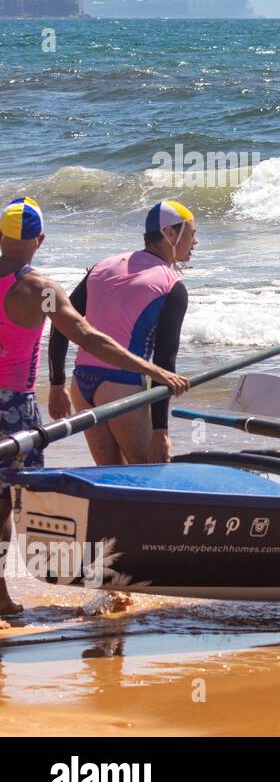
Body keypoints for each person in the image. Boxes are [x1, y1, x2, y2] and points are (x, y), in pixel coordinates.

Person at [0, 197, 188, 615]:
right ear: (40, 239)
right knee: (12, 504)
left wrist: (61, 383)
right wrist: (152, 370)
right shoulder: (39, 290)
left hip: (44, 396)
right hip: (12, 409)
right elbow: (87, 336)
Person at [47, 201, 195, 465]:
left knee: (110, 479)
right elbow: (164, 361)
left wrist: (57, 383)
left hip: (82, 384)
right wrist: (161, 431)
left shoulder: (102, 266)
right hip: (121, 388)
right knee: (149, 478)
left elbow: (61, 322)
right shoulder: (172, 286)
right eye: (192, 233)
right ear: (170, 234)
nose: (195, 242)